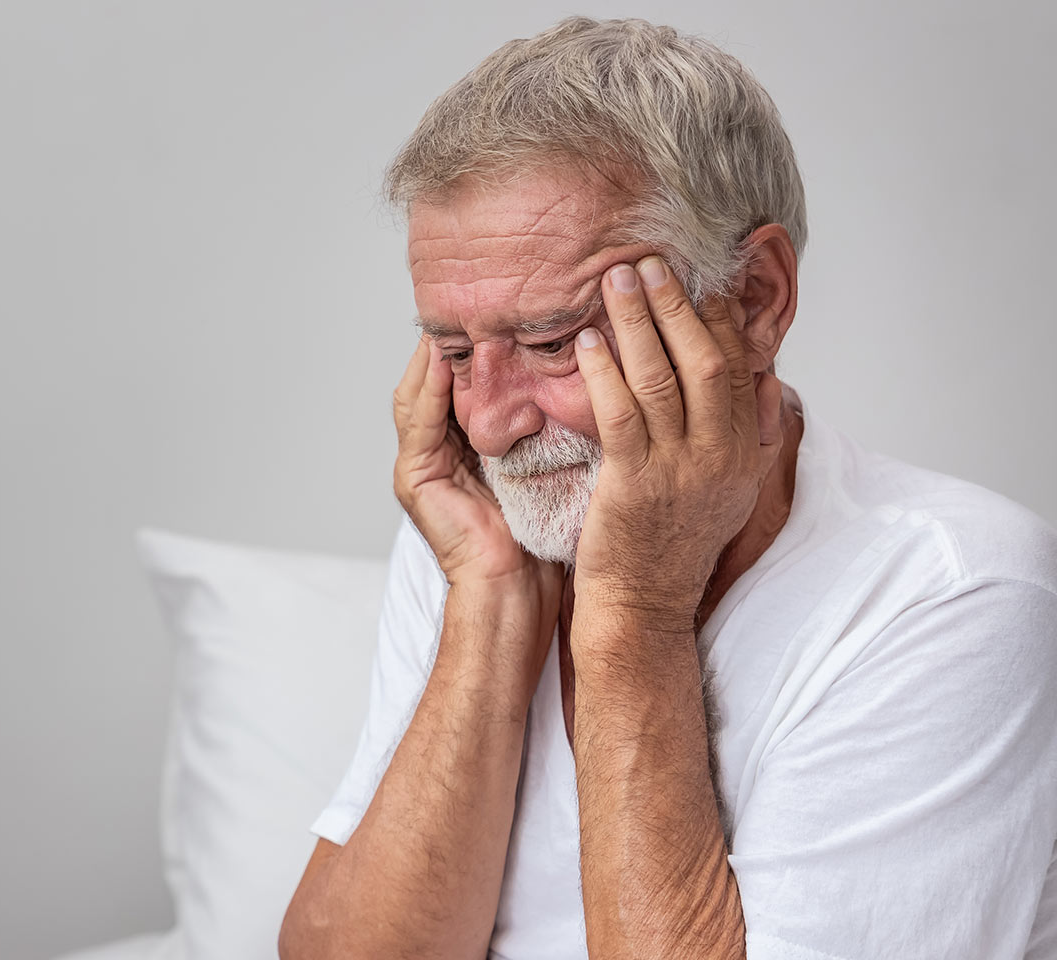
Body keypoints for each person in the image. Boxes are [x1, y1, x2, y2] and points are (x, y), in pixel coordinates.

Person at [276, 15, 1057, 960]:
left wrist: (636, 609)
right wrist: (487, 608)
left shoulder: (957, 591)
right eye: (450, 349)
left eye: (554, 341)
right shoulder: (487, 524)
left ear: (757, 298)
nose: (487, 424)